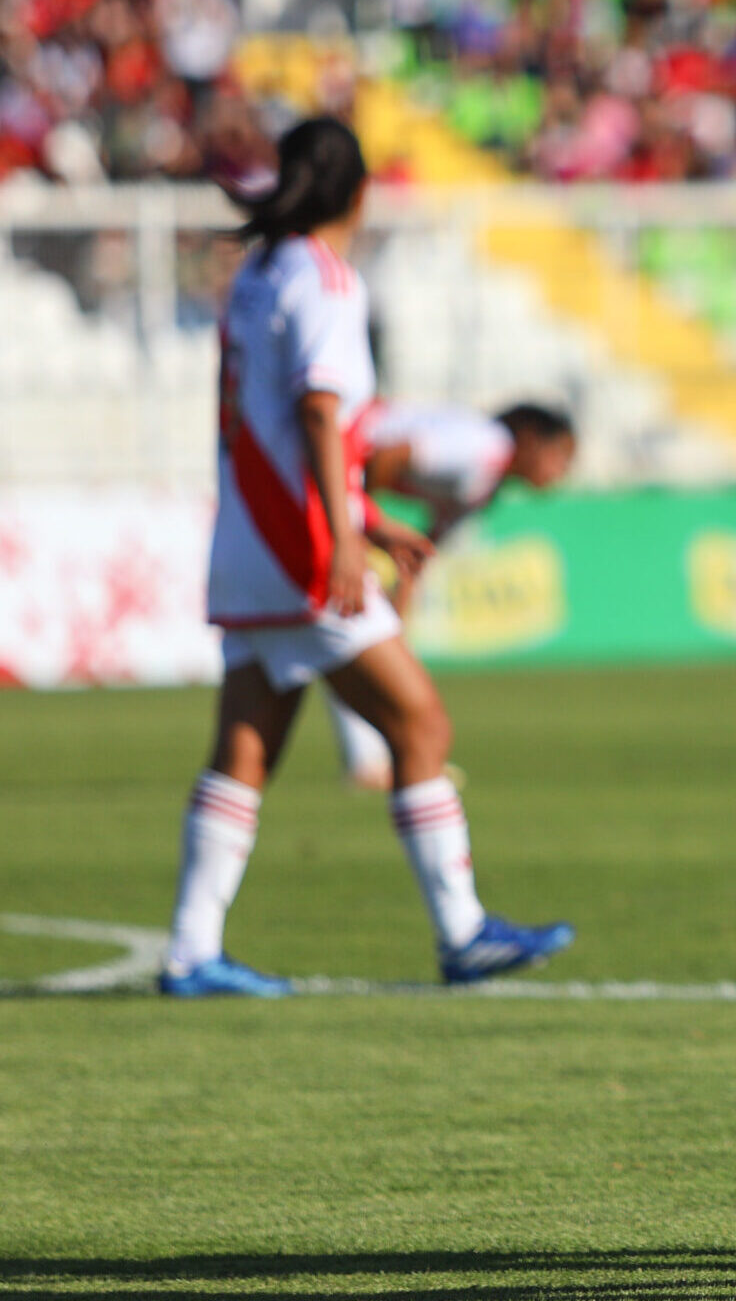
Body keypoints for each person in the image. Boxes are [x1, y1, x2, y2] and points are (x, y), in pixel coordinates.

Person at [160, 117, 574, 998]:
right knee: (419, 725)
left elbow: (279, 419)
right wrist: (345, 531)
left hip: (245, 533)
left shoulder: (257, 274)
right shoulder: (325, 279)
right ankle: (463, 934)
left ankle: (192, 950)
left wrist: (366, 517)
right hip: (301, 544)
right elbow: (319, 410)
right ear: (360, 191)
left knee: (245, 750)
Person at [320, 400, 578, 789]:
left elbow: (417, 557)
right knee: (348, 627)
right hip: (325, 458)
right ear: (527, 438)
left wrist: (395, 627)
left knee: (359, 630)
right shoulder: (484, 444)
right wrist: (355, 530)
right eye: (560, 454)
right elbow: (388, 454)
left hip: (336, 482)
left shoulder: (483, 490)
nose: (563, 471)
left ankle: (374, 761)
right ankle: (368, 763)